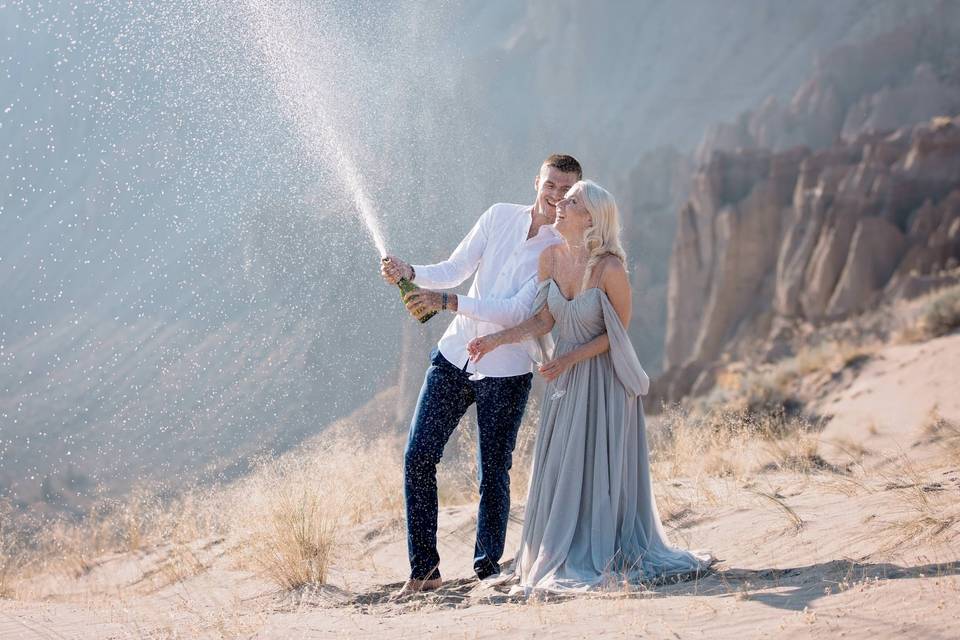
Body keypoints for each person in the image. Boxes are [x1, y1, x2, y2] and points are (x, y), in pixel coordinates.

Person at [467, 180, 711, 593]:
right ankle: (557, 547)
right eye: (564, 199)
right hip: (565, 379)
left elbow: (619, 333)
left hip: (603, 379)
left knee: (596, 464)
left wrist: (568, 359)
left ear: (591, 218)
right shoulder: (550, 257)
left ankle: (598, 550)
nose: (561, 204)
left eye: (573, 201)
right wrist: (496, 340)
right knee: (562, 463)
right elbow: (544, 321)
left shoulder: (610, 268)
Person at [380, 154, 583, 595]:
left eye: (565, 190)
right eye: (550, 185)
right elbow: (456, 268)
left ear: (575, 195)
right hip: (453, 357)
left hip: (508, 371)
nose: (555, 196)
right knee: (418, 458)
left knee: (493, 471)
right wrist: (411, 272)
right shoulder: (498, 217)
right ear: (537, 181)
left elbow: (515, 311)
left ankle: (487, 568)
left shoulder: (558, 251)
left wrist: (448, 303)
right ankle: (425, 572)